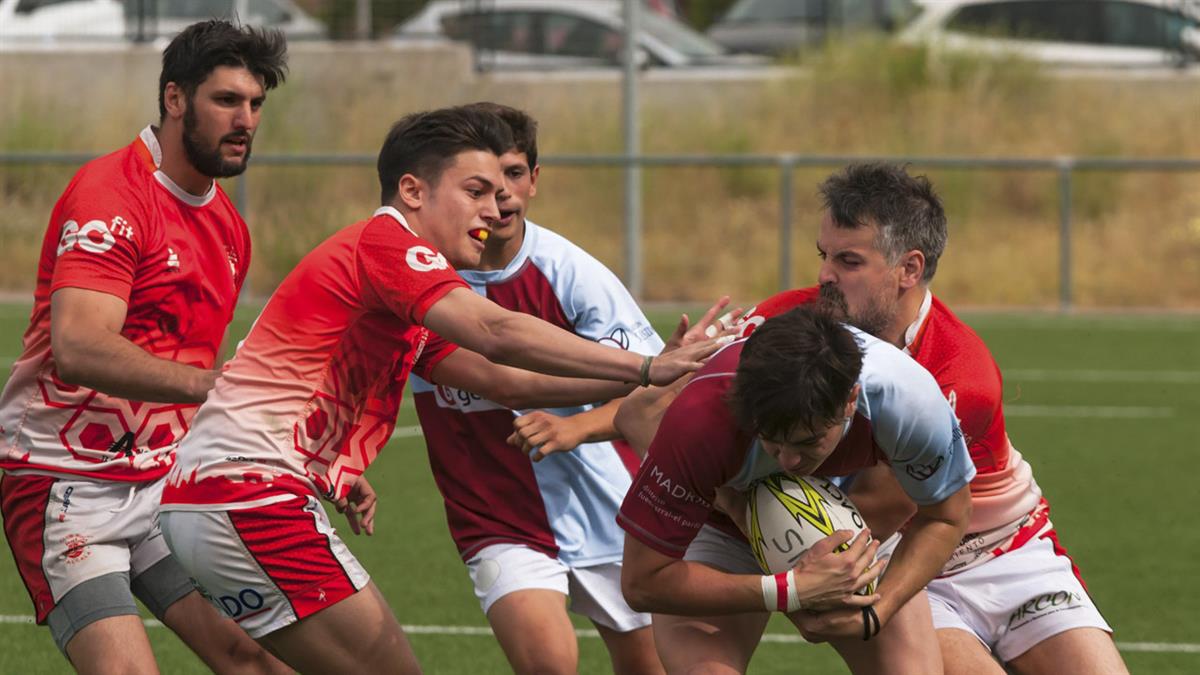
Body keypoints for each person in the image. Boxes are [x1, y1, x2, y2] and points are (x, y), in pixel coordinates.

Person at [156, 104, 718, 674]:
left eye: (499, 191)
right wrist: (645, 366)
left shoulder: (401, 293)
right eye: (475, 190)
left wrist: (637, 372)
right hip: (248, 497)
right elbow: (497, 333)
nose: (491, 208)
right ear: (412, 191)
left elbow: (505, 382)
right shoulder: (387, 244)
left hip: (217, 498)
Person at [735, 163, 1127, 674]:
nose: (825, 275)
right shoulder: (780, 324)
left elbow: (879, 507)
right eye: (824, 255)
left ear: (909, 269)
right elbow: (684, 413)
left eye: (849, 260)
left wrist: (795, 567)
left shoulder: (960, 373)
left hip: (1004, 549)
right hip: (908, 559)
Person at [0, 20, 290, 674]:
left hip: (164, 484)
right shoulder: (113, 194)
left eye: (256, 104)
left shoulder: (230, 229)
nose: (245, 119)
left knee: (254, 657)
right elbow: (78, 347)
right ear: (175, 99)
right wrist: (215, 385)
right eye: (226, 101)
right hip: (64, 481)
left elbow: (188, 387)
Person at [408, 102, 667, 675]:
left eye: (514, 175)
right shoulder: (419, 278)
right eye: (482, 182)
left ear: (535, 179)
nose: (499, 196)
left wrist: (575, 426)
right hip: (496, 516)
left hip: (606, 507)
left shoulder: (573, 274)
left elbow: (650, 393)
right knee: (548, 664)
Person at [615, 305, 975, 674]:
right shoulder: (703, 418)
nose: (788, 460)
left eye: (807, 442)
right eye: (770, 440)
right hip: (718, 523)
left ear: (850, 400)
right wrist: (788, 591)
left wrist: (878, 613)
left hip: (846, 519)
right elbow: (643, 582)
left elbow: (947, 516)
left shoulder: (907, 400)